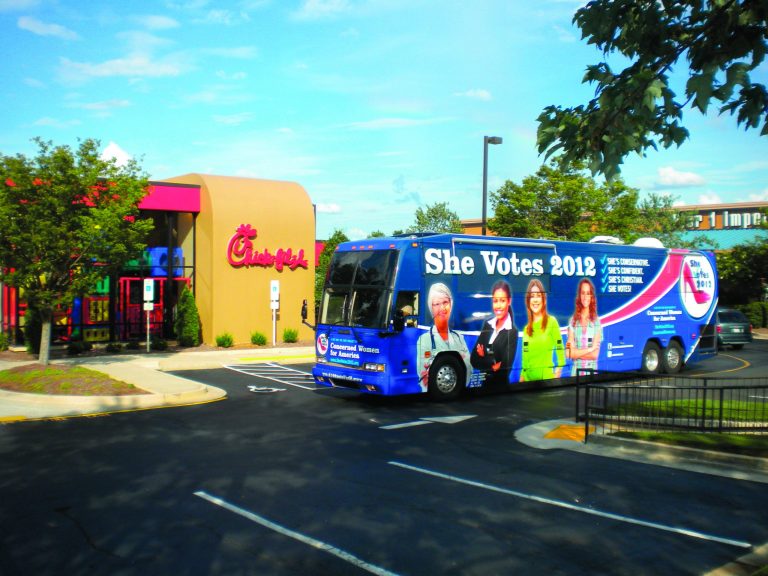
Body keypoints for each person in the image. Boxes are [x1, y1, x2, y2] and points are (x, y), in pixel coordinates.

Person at [416, 282, 472, 392]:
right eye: (436, 304)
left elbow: (469, 370)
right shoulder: (424, 340)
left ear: (451, 304)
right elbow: (423, 380)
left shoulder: (459, 338)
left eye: (445, 302)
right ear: (431, 308)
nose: (442, 308)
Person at [470, 280, 518, 388]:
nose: (498, 306)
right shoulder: (488, 325)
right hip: (483, 387)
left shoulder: (512, 332)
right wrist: (493, 364)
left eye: (502, 300)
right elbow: (474, 359)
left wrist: (483, 356)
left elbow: (505, 368)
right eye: (495, 301)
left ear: (509, 301)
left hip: (500, 389)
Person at [520, 279, 565, 381]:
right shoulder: (526, 329)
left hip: (546, 382)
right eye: (532, 296)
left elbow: (560, 349)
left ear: (544, 300)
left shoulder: (552, 322)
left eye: (538, 296)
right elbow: (524, 361)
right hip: (527, 382)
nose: (535, 300)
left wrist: (557, 374)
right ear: (528, 301)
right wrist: (521, 381)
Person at [566, 278, 602, 375]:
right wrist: (590, 349)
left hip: (591, 374)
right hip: (575, 375)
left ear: (591, 296)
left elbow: (595, 355)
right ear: (579, 295)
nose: (585, 297)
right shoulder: (572, 321)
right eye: (583, 293)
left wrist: (576, 353)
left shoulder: (596, 322)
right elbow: (568, 353)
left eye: (588, 293)